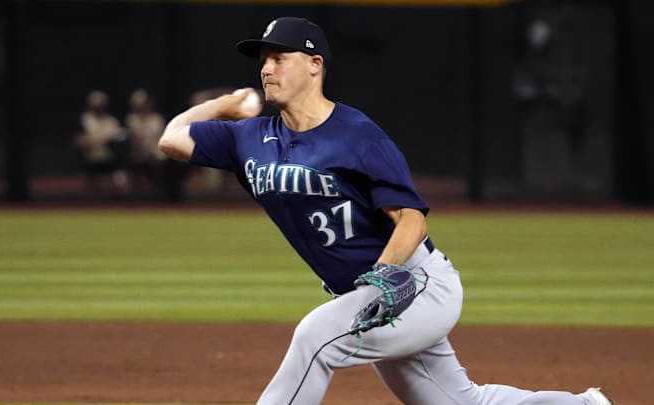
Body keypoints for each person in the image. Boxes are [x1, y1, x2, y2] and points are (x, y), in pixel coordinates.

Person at [158, 17, 612, 405]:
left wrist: (383, 276)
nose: (267, 67)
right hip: (366, 294)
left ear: (315, 65)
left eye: (280, 57)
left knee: (315, 339)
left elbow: (411, 217)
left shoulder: (357, 134)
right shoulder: (249, 137)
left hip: (415, 285)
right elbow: (172, 139)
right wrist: (228, 104)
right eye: (264, 59)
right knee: (460, 401)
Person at [75, 90, 129, 192]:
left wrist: (104, 141)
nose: (98, 109)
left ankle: (123, 194)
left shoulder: (112, 121)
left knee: (122, 160)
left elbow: (119, 138)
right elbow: (80, 142)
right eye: (95, 106)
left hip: (110, 157)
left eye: (100, 106)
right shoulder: (84, 120)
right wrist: (102, 139)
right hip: (90, 158)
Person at [126, 88, 166, 190]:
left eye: (144, 104)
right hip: (138, 154)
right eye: (139, 105)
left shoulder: (157, 119)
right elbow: (134, 139)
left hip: (157, 154)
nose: (142, 107)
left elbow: (160, 138)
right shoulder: (131, 120)